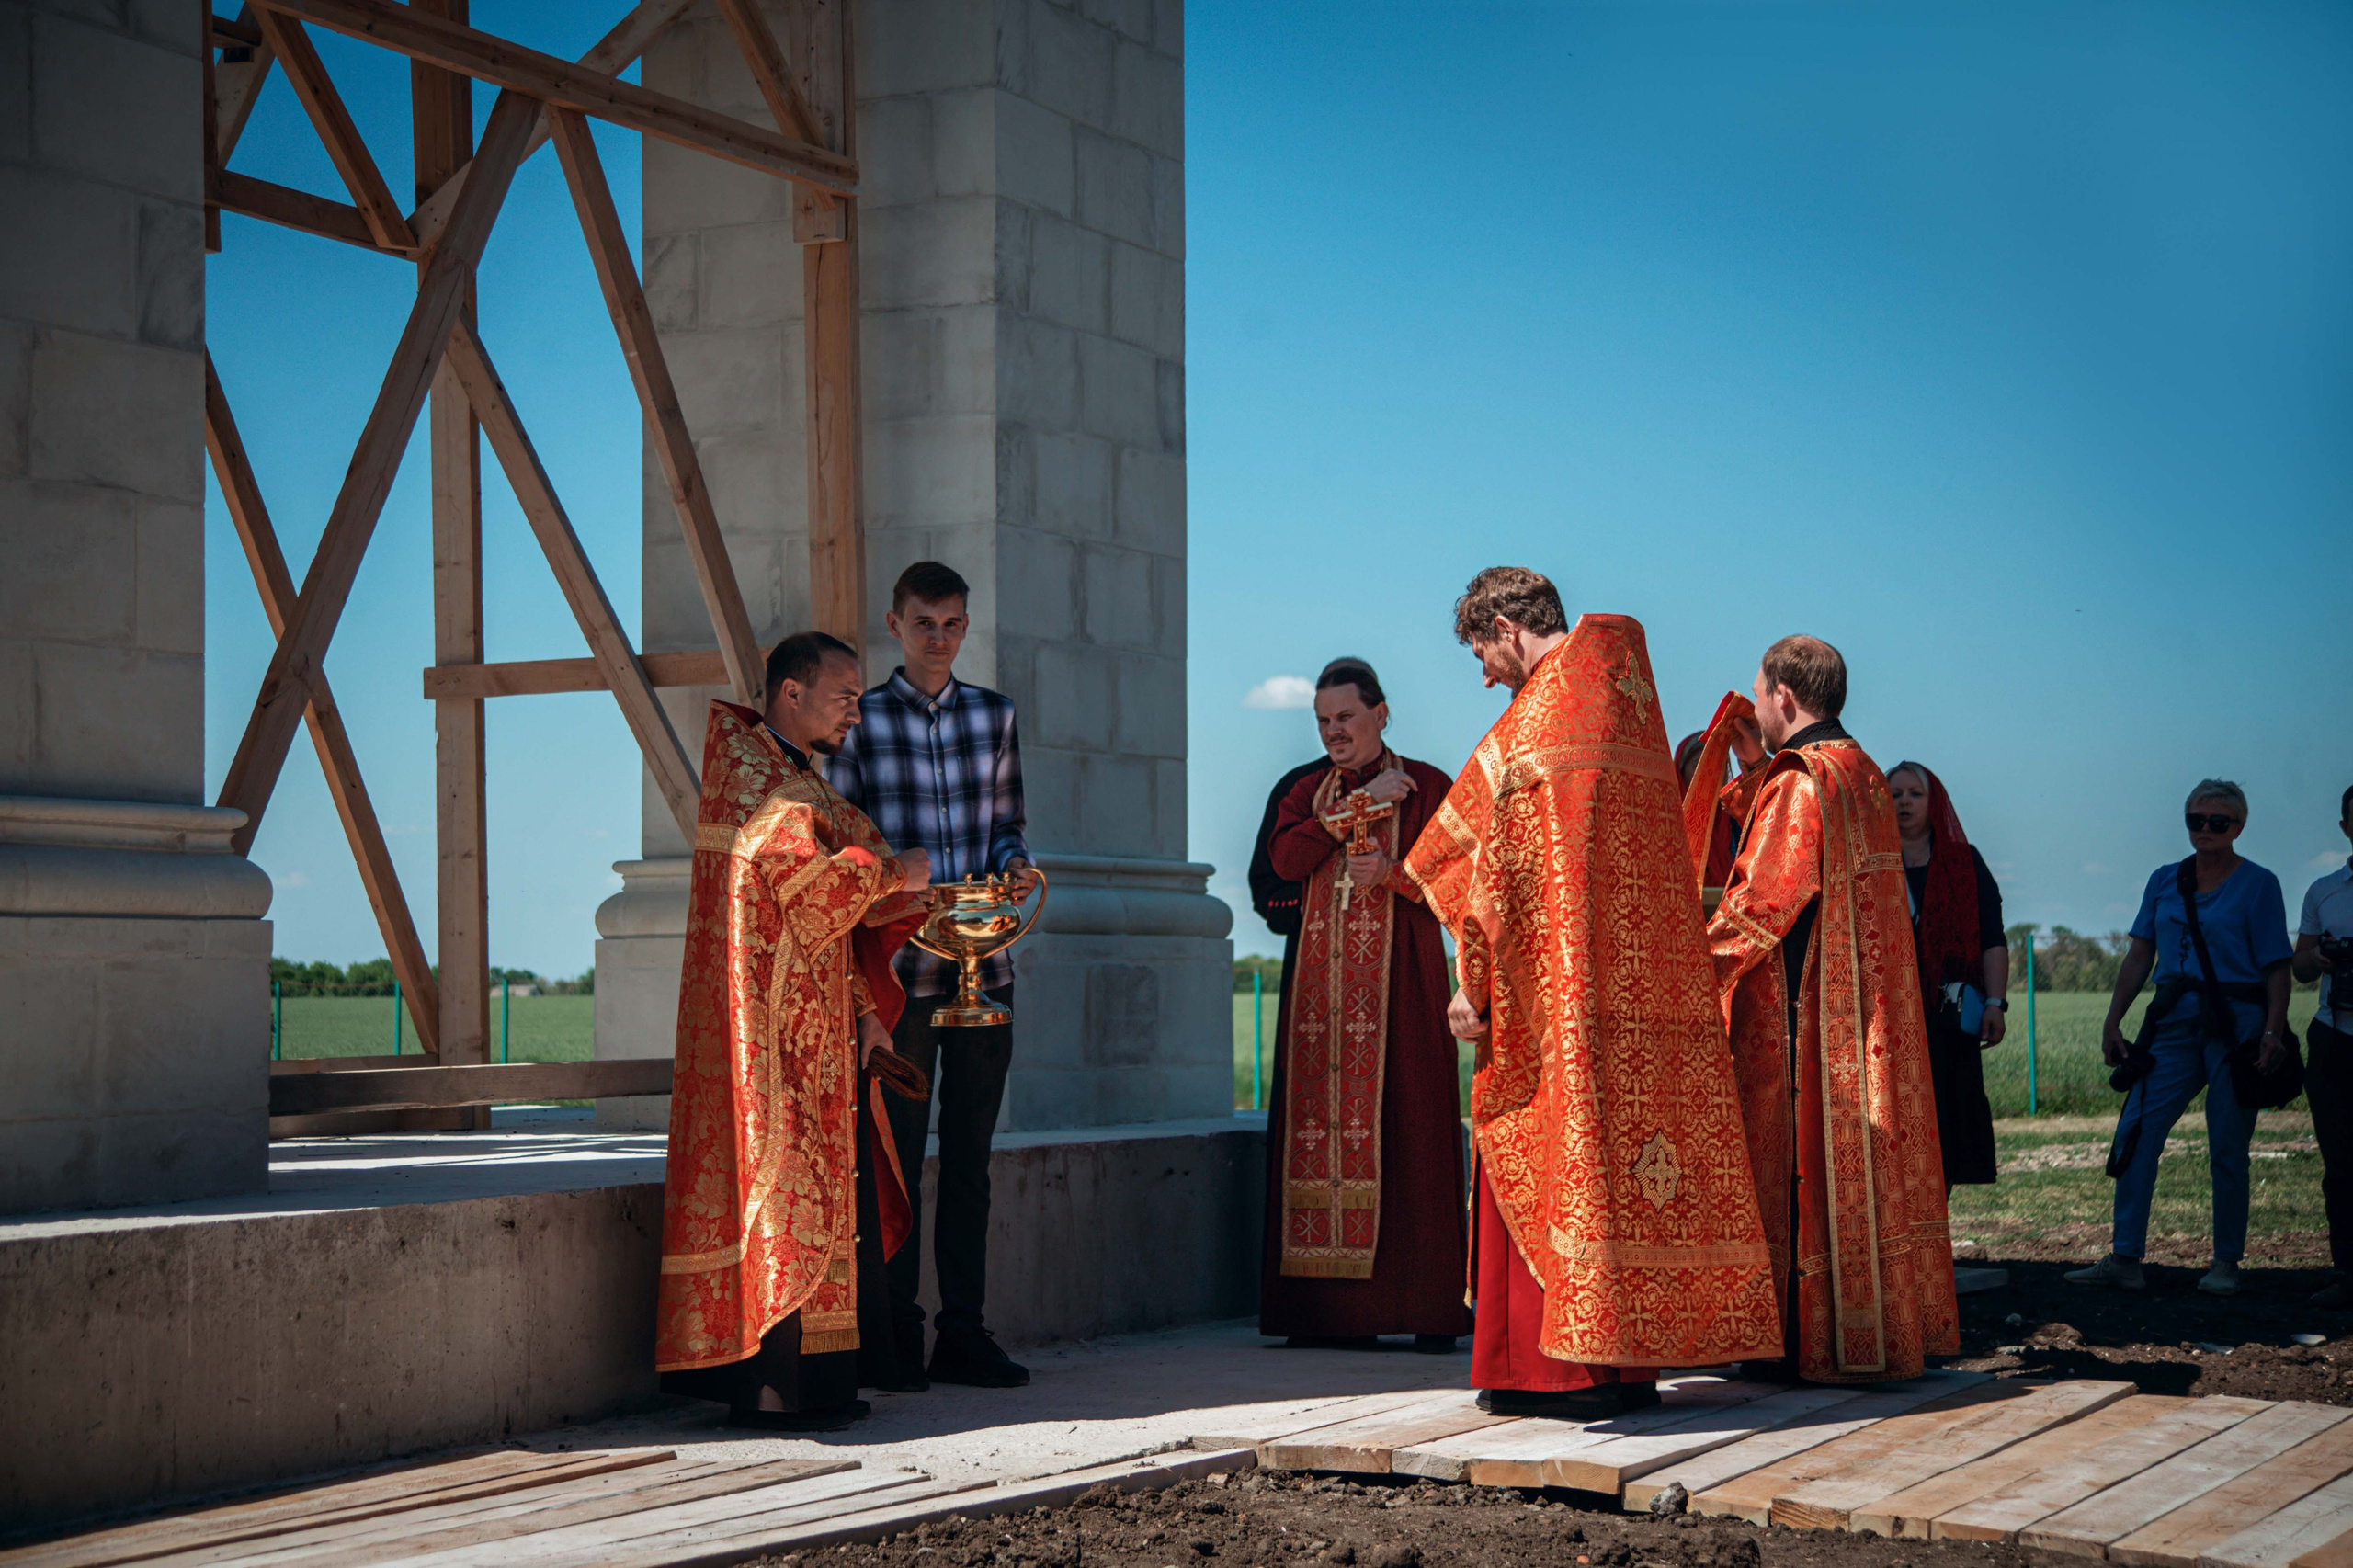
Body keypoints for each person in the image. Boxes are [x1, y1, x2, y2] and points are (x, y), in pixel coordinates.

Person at [1404, 568, 1779, 1419]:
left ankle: (1551, 1373)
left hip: (1555, 1004)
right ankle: (1625, 1366)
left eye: (1481, 653)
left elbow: (1484, 870)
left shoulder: (1532, 728)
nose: (1485, 675)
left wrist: (1473, 985)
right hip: (1640, 1002)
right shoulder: (1626, 705)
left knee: (1550, 1152)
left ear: (1505, 626)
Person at [655, 633, 934, 1429]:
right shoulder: (764, 783)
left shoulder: (791, 776)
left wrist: (868, 1012)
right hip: (771, 1044)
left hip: (813, 1027)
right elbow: (811, 893)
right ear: (790, 694)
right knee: (785, 1200)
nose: (855, 707)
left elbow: (821, 925)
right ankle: (776, 1394)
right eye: (843, 694)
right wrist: (896, 873)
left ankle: (822, 1388)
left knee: (818, 1202)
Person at [1708, 635, 1957, 1383]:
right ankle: (1861, 1330)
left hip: (1800, 1012)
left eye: (1759, 694)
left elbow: (1763, 902)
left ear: (1785, 695)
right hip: (1861, 1006)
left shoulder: (1801, 780)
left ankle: (1788, 1341)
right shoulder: (1862, 770)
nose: (1753, 705)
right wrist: (1754, 765)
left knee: (1794, 1170)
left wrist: (1686, 964)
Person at [828, 562, 1037, 1391]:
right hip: (901, 972)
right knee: (898, 1156)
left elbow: (1007, 825)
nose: (940, 639)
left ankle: (965, 1331)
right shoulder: (864, 720)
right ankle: (896, 1333)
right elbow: (843, 838)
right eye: (925, 624)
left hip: (987, 970)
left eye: (953, 624)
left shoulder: (996, 714)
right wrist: (890, 874)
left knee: (972, 1157)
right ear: (894, 624)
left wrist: (1016, 867)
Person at [1258, 659, 1474, 1352]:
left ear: (1381, 713)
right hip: (1317, 1001)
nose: (1333, 732)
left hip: (1404, 991)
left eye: (1345, 718)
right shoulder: (1302, 790)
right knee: (1317, 1131)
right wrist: (1359, 808)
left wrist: (1395, 876)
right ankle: (1326, 1315)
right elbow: (1285, 863)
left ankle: (1427, 1306)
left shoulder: (1431, 786)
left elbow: (1465, 880)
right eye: (1323, 721)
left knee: (1410, 1126)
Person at [2068, 780, 2294, 1298]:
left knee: (2227, 1143)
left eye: (2219, 822)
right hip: (2171, 1025)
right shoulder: (2164, 881)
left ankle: (2226, 1263)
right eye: (2197, 819)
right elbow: (2139, 957)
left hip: (2236, 1027)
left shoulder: (2260, 884)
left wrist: (2272, 1033)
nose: (2206, 830)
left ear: (2239, 827)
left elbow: (2277, 969)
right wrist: (2112, 1021)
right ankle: (2125, 1257)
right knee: (2136, 1132)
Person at [1885, 763, 2009, 1192]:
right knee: (1893, 1122)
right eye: (1894, 793)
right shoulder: (1866, 860)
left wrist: (1995, 1004)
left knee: (1949, 1122)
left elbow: (1992, 938)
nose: (1903, 801)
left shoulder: (1964, 863)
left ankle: (1934, 1233)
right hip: (1886, 1017)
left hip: (1948, 1017)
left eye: (1914, 794)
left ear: (1933, 801)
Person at [2297, 785, 2353, 1309]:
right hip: (2335, 1033)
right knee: (2340, 1164)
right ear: (2345, 828)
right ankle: (2345, 1271)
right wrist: (2322, 960)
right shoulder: (2324, 892)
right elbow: (2299, 965)